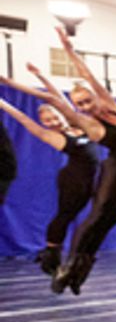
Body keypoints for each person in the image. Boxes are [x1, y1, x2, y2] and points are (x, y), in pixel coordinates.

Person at [37, 30, 116, 294]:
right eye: (79, 104)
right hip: (115, 172)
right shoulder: (89, 123)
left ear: (97, 96)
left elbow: (88, 77)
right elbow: (59, 104)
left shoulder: (112, 107)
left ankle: (81, 270)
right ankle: (67, 266)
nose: (85, 106)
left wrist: (69, 51)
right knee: (96, 217)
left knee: (108, 222)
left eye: (87, 100)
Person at [0, 94, 98, 274]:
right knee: (65, 215)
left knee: (94, 214)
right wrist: (2, 103)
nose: (52, 122)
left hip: (90, 178)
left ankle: (67, 253)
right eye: (46, 121)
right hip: (73, 179)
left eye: (54, 117)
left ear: (61, 114)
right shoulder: (53, 136)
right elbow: (22, 118)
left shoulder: (77, 125)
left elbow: (61, 100)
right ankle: (51, 255)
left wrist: (41, 76)